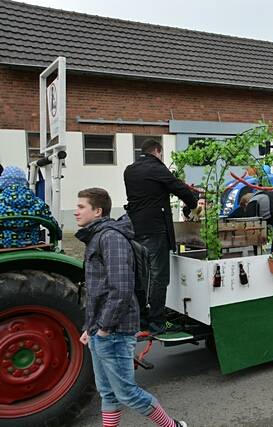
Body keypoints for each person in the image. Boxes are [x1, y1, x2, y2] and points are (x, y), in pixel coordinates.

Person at [74, 188, 187, 427]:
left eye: (81, 206)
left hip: (114, 331)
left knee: (127, 393)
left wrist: (103, 328)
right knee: (108, 393)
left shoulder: (110, 238)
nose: (76, 211)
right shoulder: (96, 236)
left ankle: (173, 426)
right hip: (101, 330)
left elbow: (121, 288)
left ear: (98, 211)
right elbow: (98, 290)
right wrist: (91, 327)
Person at [124, 139, 199, 335]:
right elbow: (179, 188)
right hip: (155, 229)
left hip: (134, 230)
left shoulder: (130, 170)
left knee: (140, 276)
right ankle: (158, 322)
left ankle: (141, 319)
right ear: (157, 151)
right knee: (159, 276)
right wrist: (193, 202)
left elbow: (154, 191)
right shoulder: (156, 167)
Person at [0, 166, 57, 248]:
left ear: (3, 182)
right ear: (24, 182)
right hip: (31, 245)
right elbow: (52, 223)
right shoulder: (38, 203)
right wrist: (58, 234)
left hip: (3, 246)